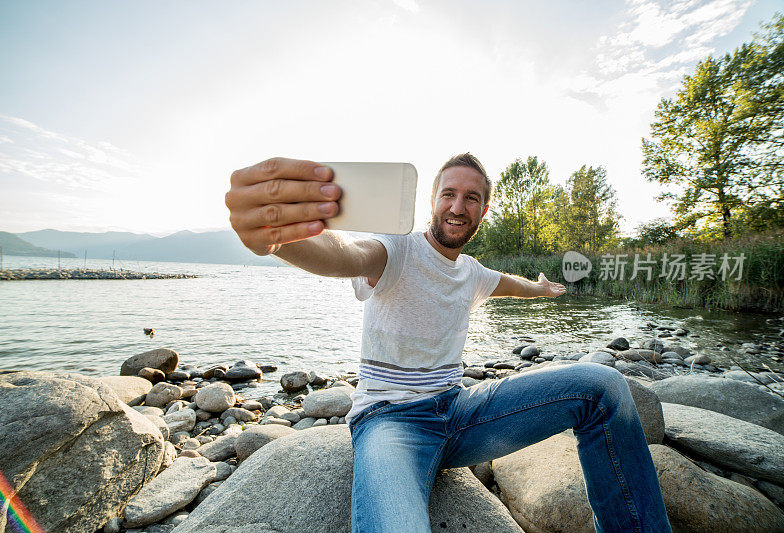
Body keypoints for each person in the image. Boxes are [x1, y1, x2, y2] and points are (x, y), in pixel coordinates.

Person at [225, 154, 672, 533]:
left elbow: (508, 283)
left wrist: (540, 289)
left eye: (471, 198)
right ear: (433, 202)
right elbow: (347, 254)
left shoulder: (471, 272)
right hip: (391, 422)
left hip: (459, 414)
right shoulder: (396, 249)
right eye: (449, 194)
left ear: (483, 211)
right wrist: (280, 239)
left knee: (604, 387)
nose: (458, 207)